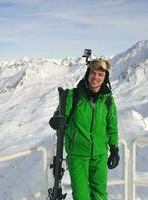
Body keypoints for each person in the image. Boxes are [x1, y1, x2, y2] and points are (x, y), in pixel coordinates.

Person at [49, 58, 120, 200]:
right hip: (77, 155)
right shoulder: (73, 96)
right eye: (93, 73)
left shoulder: (108, 100)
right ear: (88, 74)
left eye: (101, 74)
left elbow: (112, 127)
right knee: (81, 196)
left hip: (100, 155)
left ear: (105, 77)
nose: (96, 77)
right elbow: (58, 118)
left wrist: (114, 149)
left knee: (100, 194)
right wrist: (55, 121)